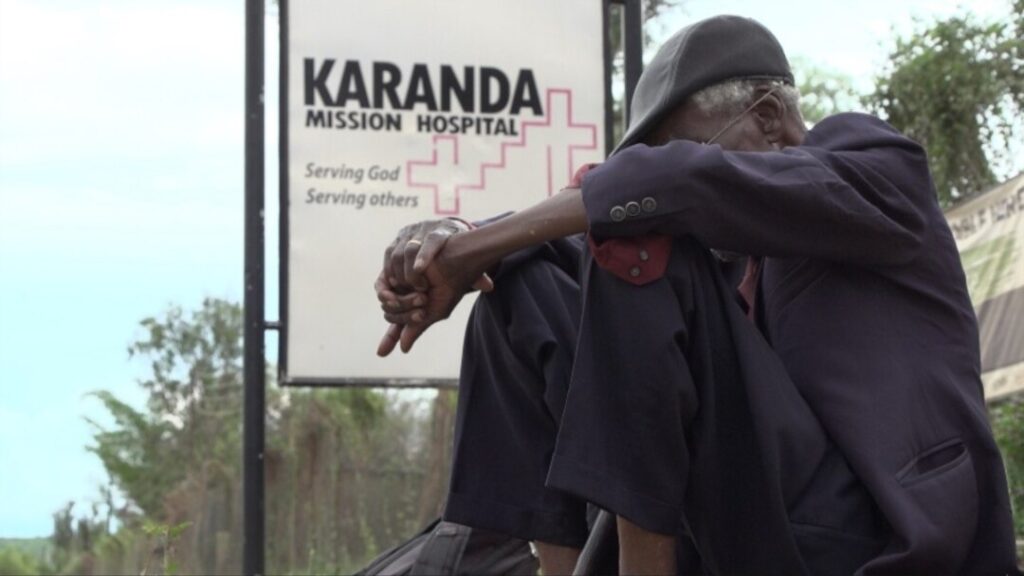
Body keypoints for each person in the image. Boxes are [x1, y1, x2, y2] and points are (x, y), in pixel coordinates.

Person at [375, 15, 1019, 575]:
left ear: (767, 116)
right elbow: (594, 227)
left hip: (883, 528)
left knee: (636, 242)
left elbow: (678, 184)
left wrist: (475, 246)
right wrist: (460, 241)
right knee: (525, 282)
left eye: (682, 146)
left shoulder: (874, 166)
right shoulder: (725, 252)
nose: (652, 175)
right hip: (759, 516)